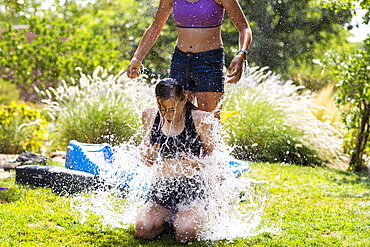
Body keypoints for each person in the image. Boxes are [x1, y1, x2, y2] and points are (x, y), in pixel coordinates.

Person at [126, 0, 252, 117]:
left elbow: (244, 29)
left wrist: (241, 53)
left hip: (209, 61)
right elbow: (155, 27)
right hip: (180, 60)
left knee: (209, 120)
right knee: (177, 117)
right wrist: (137, 58)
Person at [135, 78, 217, 242]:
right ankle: (170, 221)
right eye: (162, 108)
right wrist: (145, 155)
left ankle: (185, 220)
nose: (167, 115)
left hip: (192, 191)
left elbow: (216, 157)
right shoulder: (150, 115)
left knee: (185, 234)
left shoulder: (200, 119)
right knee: (143, 230)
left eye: (172, 109)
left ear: (184, 100)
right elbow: (142, 146)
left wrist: (200, 163)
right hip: (160, 190)